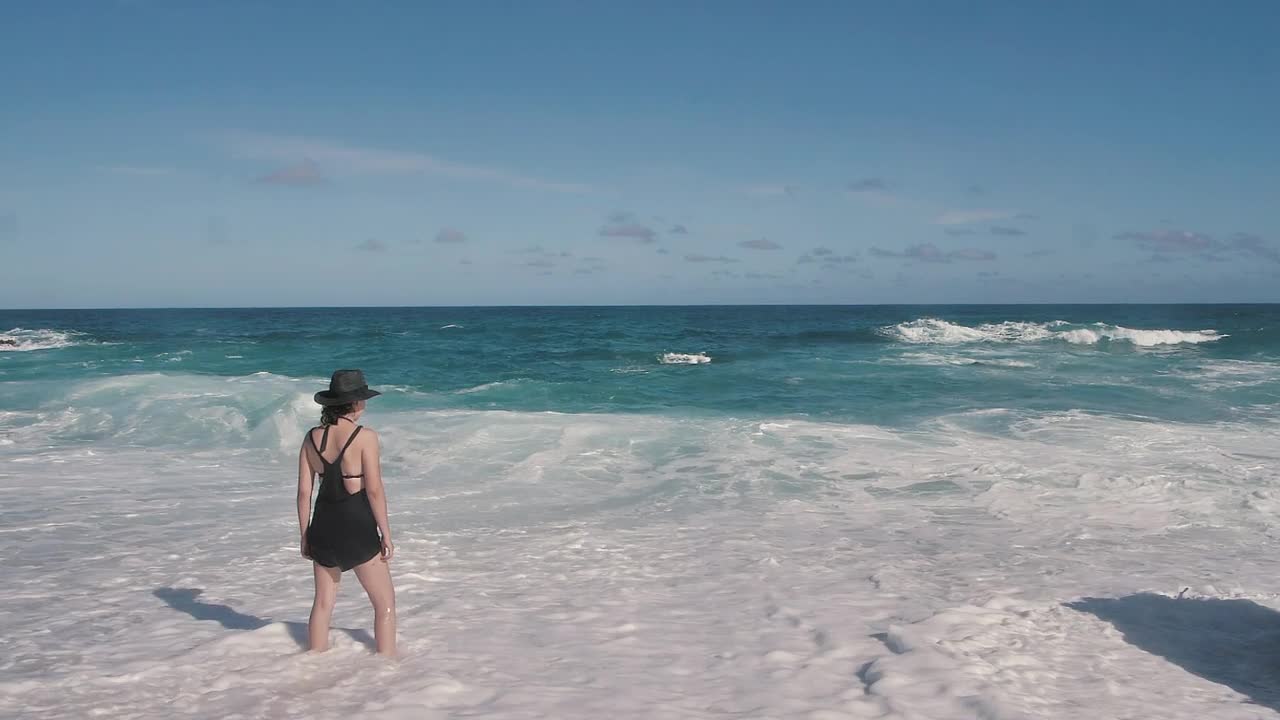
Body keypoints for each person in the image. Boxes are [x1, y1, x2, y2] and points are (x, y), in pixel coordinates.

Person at [297, 369, 396, 656]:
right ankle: (387, 667)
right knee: (384, 604)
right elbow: (375, 491)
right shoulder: (365, 437)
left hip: (323, 529)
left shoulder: (311, 438)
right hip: (357, 530)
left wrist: (305, 535)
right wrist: (386, 535)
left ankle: (312, 663)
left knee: (323, 604)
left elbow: (304, 493)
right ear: (355, 404)